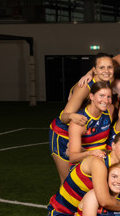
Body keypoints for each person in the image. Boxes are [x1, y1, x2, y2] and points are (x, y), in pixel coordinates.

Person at [32, 132, 120, 216]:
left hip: (85, 212)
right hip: (64, 210)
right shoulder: (98, 162)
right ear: (113, 145)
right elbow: (104, 201)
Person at [49, 54, 115, 182]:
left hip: (82, 131)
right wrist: (73, 116)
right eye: (102, 68)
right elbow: (64, 116)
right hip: (62, 132)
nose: (106, 71)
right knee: (68, 180)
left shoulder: (107, 79)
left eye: (109, 67)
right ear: (95, 69)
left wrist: (89, 72)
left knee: (84, 178)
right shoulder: (85, 87)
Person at [66, 81, 114, 165]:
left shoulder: (110, 110)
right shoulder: (79, 122)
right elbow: (73, 158)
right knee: (98, 164)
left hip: (103, 157)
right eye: (101, 96)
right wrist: (91, 153)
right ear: (91, 96)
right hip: (86, 163)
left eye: (109, 97)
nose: (106, 100)